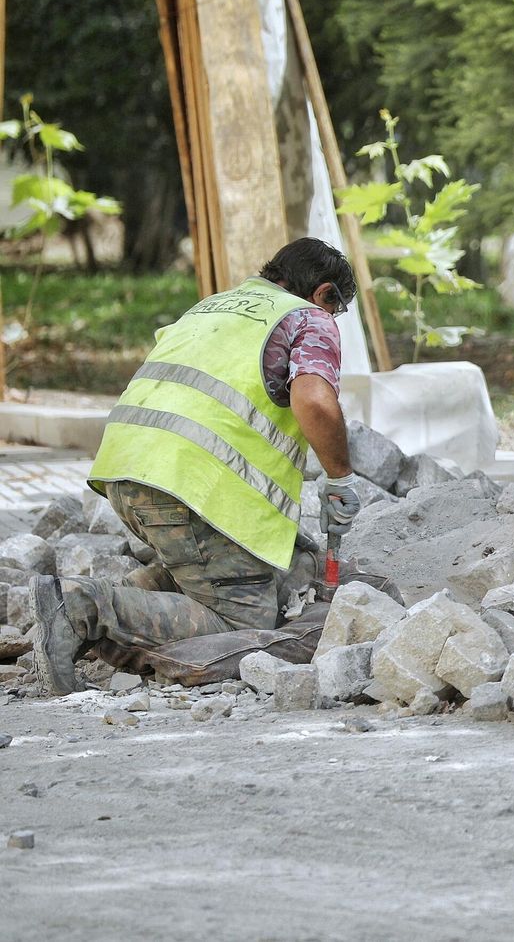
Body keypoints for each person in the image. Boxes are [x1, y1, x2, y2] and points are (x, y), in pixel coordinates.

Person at [30, 239, 365, 694]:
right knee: (241, 622)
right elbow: (314, 401)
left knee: (211, 569)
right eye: (337, 308)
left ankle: (135, 595)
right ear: (325, 293)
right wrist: (340, 476)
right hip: (192, 488)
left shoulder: (211, 306)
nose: (334, 318)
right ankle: (83, 608)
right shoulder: (307, 318)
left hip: (129, 468)